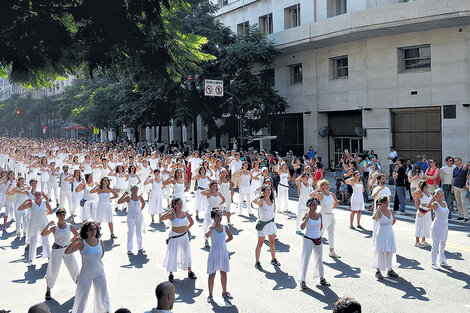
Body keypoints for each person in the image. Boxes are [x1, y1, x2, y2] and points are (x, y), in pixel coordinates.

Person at [65, 222, 110, 313]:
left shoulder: (100, 241)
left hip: (99, 272)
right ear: (86, 232)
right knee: (81, 297)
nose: (93, 231)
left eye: (94, 229)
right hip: (86, 274)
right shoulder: (82, 243)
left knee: (102, 297)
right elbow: (67, 252)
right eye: (90, 229)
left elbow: (101, 254)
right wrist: (73, 241)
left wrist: (95, 262)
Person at [41, 208, 79, 301]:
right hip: (56, 250)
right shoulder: (54, 227)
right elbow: (43, 234)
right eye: (60, 215)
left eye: (63, 215)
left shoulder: (69, 226)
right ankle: (48, 291)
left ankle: (80, 289)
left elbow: (76, 235)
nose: (62, 217)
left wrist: (70, 242)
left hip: (67, 249)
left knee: (74, 267)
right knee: (52, 270)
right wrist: (48, 224)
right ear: (57, 216)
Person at [160, 198, 197, 282]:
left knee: (186, 253)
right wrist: (169, 211)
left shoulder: (185, 214)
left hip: (184, 236)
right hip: (175, 237)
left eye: (181, 203)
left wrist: (185, 229)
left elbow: (192, 222)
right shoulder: (172, 215)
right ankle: (171, 274)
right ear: (174, 205)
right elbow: (161, 218)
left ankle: (190, 271)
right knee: (172, 254)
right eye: (178, 204)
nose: (180, 205)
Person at [299, 198, 330, 290]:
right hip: (308, 239)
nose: (315, 206)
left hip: (318, 239)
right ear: (309, 205)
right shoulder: (306, 215)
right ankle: (302, 280)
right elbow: (301, 227)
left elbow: (321, 227)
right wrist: (306, 219)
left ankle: (322, 278)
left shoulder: (319, 215)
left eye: (316, 204)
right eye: (313, 204)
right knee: (305, 260)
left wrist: (318, 235)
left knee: (319, 260)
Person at [205, 209, 233, 303]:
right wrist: (212, 228)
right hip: (214, 254)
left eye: (221, 215)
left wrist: (223, 243)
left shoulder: (225, 227)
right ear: (213, 217)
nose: (220, 217)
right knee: (212, 274)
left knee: (223, 273)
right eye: (217, 215)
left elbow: (231, 237)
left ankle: (224, 292)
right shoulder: (211, 227)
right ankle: (210, 295)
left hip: (223, 253)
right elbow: (206, 235)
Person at [18, 191, 51, 266]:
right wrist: (25, 201)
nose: (38, 196)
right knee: (33, 241)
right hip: (33, 224)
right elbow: (20, 208)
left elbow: (50, 210)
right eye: (36, 194)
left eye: (39, 194)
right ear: (34, 195)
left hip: (43, 223)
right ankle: (30, 260)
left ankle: (49, 257)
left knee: (46, 240)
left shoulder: (44, 202)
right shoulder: (31, 203)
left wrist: (44, 215)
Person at [252, 184, 280, 269]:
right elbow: (254, 201)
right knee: (260, 243)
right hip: (263, 224)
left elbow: (274, 209)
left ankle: (273, 259)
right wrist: (260, 194)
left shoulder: (272, 199)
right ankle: (257, 261)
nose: (269, 191)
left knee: (272, 242)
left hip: (271, 224)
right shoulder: (261, 201)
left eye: (270, 189)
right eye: (267, 190)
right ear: (264, 192)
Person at [311, 179, 340, 258]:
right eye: (326, 184)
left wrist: (330, 209)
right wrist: (318, 189)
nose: (328, 186)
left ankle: (332, 251)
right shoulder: (321, 194)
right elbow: (311, 195)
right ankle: (316, 251)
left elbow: (336, 202)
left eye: (328, 184)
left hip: (331, 216)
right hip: (323, 216)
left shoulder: (332, 194)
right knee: (320, 234)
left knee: (331, 234)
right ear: (322, 186)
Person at [372, 195, 398, 280]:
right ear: (381, 203)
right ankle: (378, 271)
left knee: (390, 250)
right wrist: (377, 209)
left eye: (387, 202)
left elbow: (394, 220)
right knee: (380, 251)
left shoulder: (390, 210)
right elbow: (374, 218)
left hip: (390, 233)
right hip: (382, 233)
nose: (387, 204)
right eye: (385, 202)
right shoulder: (379, 212)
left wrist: (389, 226)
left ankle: (389, 269)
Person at [117, 185, 145, 255]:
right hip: (130, 218)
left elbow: (143, 203)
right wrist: (124, 195)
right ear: (131, 190)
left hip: (139, 217)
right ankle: (129, 249)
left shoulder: (139, 197)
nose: (135, 190)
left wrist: (139, 210)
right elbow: (119, 202)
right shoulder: (128, 198)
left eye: (136, 189)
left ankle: (140, 247)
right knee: (130, 232)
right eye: (134, 189)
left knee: (138, 232)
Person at [427, 189, 451, 269]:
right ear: (436, 195)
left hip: (444, 226)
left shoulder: (444, 203)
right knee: (435, 245)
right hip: (437, 226)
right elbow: (428, 206)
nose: (443, 192)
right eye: (440, 192)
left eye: (442, 191)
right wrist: (433, 198)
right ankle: (433, 263)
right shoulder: (435, 204)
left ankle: (442, 261)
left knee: (443, 244)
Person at [201, 182, 225, 248]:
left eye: (216, 186)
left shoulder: (218, 193)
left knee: (216, 225)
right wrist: (208, 189)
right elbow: (201, 192)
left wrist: (219, 205)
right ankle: (206, 240)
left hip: (216, 211)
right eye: (213, 186)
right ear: (211, 186)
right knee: (208, 225)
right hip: (209, 211)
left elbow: (224, 200)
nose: (215, 187)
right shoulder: (208, 194)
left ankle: (215, 240)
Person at [412, 180, 432, 248]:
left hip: (428, 210)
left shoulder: (429, 193)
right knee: (419, 225)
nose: (427, 185)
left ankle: (423, 240)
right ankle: (417, 241)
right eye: (426, 184)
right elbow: (413, 194)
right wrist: (419, 189)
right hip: (422, 210)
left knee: (426, 225)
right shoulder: (421, 193)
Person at [452, 157, 468, 221]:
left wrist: (466, 164)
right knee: (458, 202)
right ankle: (461, 215)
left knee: (463, 202)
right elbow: (453, 178)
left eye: (456, 161)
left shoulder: (465, 168)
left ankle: (466, 216)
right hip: (456, 187)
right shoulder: (455, 169)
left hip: (463, 187)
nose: (454, 162)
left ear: (460, 161)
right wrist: (452, 187)